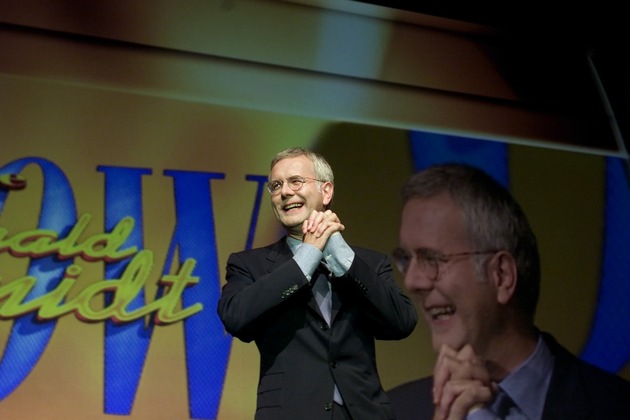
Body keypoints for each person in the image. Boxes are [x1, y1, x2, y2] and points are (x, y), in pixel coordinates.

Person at [387, 163, 630, 420]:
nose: (412, 282)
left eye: (431, 258)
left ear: (501, 275)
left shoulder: (618, 407)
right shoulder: (392, 412)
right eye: (406, 259)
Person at [217, 147, 418, 420]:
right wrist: (307, 257)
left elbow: (401, 322)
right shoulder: (249, 265)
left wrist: (342, 256)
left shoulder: (367, 263)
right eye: (276, 186)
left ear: (326, 192)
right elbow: (235, 318)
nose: (285, 192)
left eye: (296, 181)